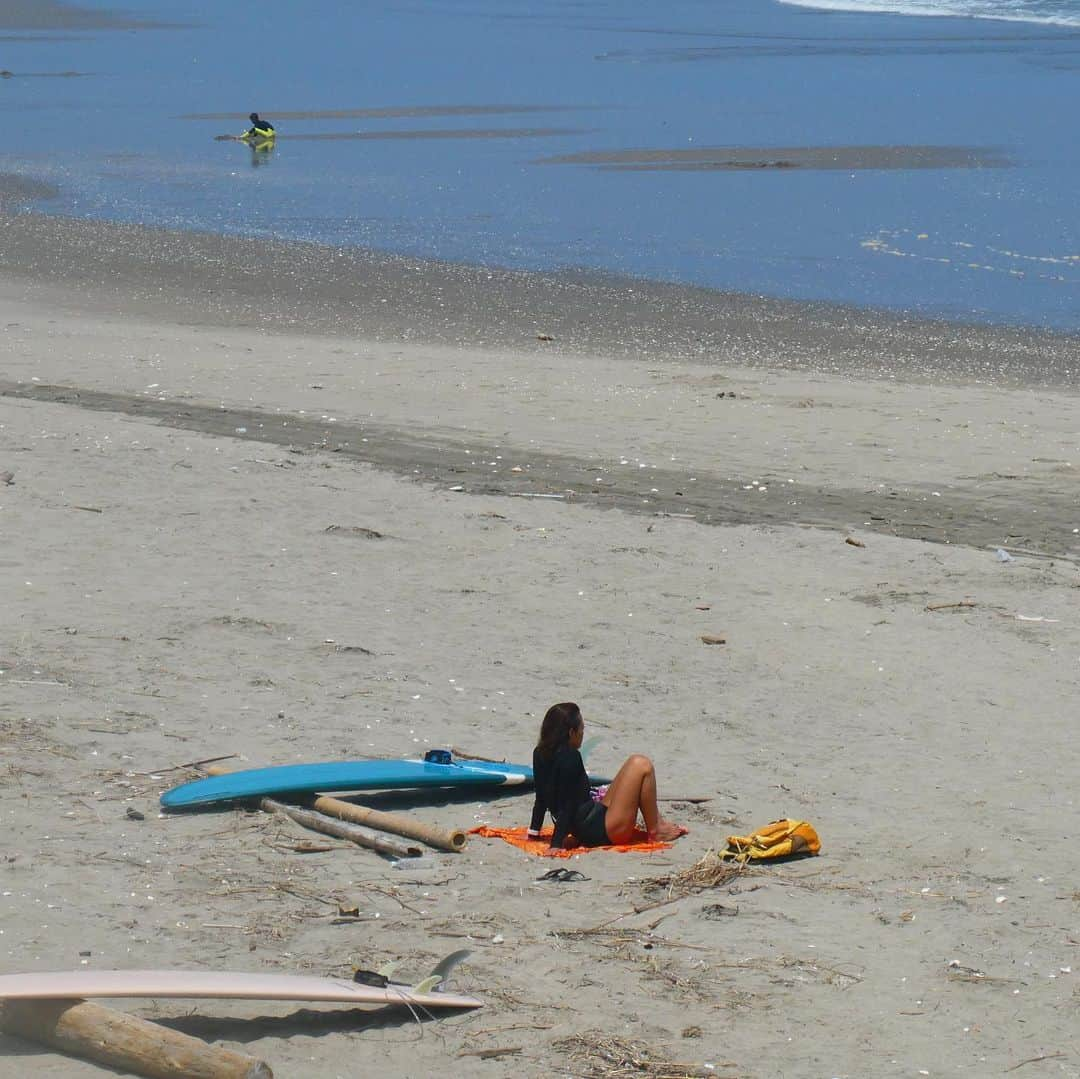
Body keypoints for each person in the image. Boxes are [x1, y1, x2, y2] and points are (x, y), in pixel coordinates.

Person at [527, 702, 687, 850]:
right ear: (571, 733)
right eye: (581, 729)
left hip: (585, 825)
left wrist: (533, 833)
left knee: (629, 769)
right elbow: (568, 805)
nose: (583, 734)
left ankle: (657, 825)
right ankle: (656, 829)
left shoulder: (539, 753)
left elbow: (541, 798)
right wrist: (556, 845)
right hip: (599, 832)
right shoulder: (571, 757)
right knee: (641, 764)